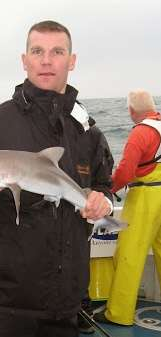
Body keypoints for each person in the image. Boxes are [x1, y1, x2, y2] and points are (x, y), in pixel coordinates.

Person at [0, 20, 114, 337]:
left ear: (71, 61)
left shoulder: (87, 131)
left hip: (64, 305)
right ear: (25, 60)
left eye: (57, 52)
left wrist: (101, 200)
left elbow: (104, 185)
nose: (46, 60)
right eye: (37, 51)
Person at [94, 89, 161, 326]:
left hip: (145, 197)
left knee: (128, 256)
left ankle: (119, 313)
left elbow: (126, 171)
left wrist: (106, 190)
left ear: (132, 111)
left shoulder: (141, 132)